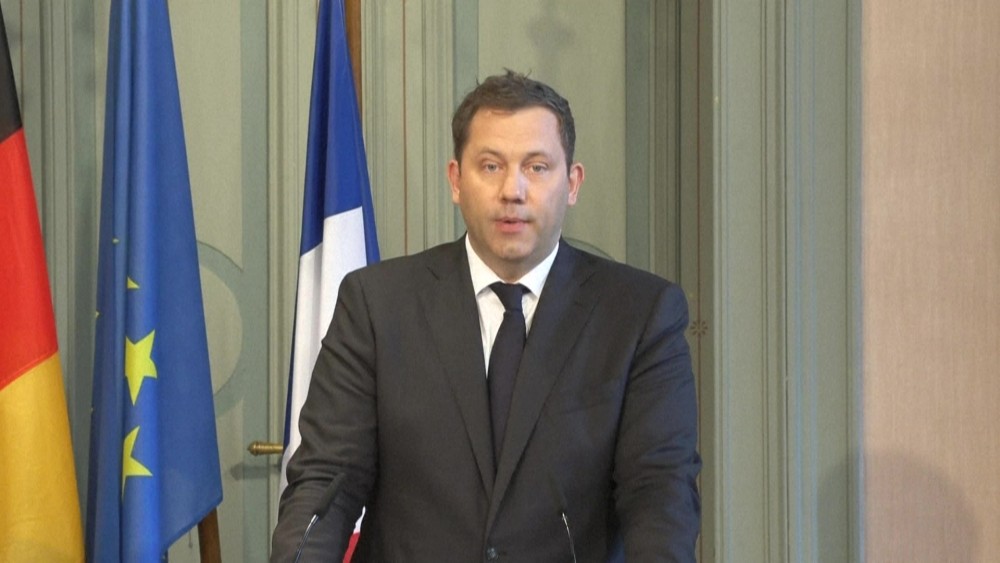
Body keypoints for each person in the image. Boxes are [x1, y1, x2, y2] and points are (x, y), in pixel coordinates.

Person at [270, 70, 701, 562]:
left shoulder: (640, 315)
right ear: (456, 180)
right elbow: (327, 480)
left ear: (572, 183)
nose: (512, 190)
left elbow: (659, 495)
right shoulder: (377, 304)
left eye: (537, 167)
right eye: (491, 166)